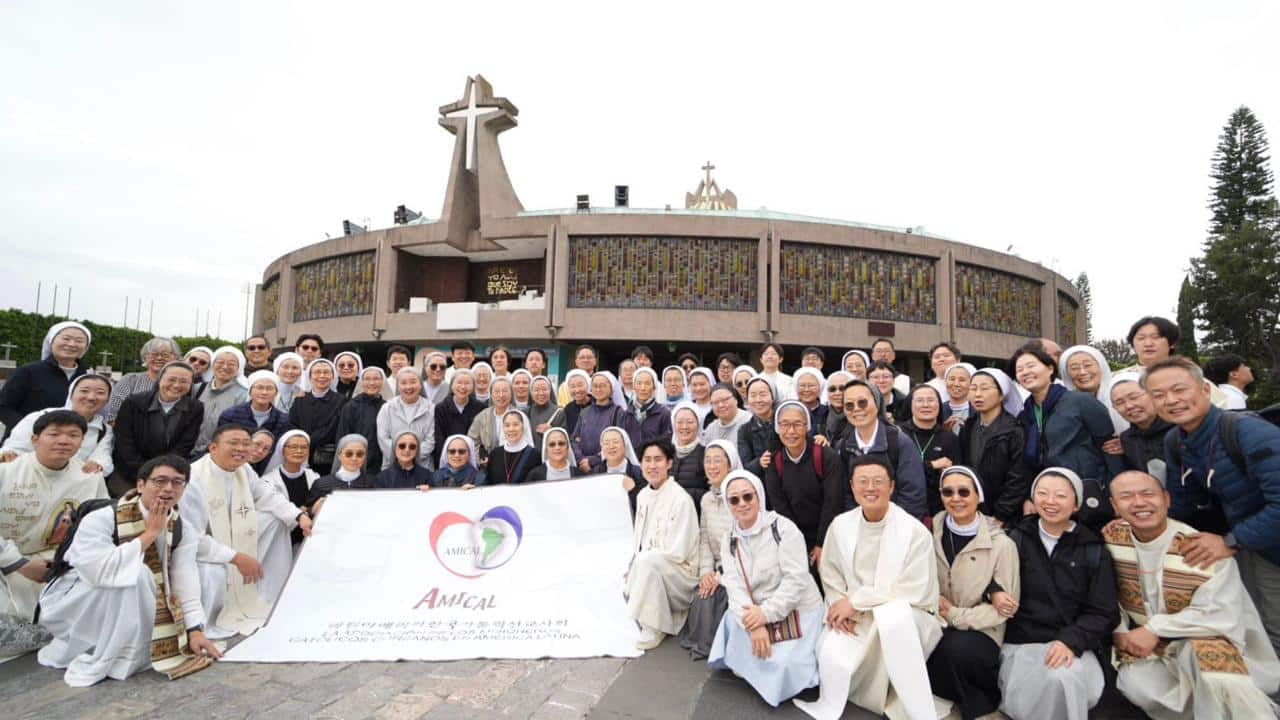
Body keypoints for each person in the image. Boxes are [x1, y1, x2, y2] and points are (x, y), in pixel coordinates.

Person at [1106, 470, 1280, 719]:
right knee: (1137, 685)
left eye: (1148, 494)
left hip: (1208, 640)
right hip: (1151, 648)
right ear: (1114, 506)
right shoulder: (1111, 540)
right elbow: (1103, 592)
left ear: (1167, 499)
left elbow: (1220, 612)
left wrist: (1155, 628)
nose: (1139, 502)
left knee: (1212, 674)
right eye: (1126, 496)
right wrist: (1121, 631)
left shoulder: (1201, 548)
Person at [36, 455, 221, 686]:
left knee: (200, 573)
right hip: (77, 598)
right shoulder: (101, 518)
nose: (168, 488)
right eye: (160, 481)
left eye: (177, 482)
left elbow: (185, 582)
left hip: (135, 602)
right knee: (137, 573)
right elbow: (98, 572)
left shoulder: (182, 527)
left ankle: (131, 651)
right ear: (140, 485)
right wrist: (150, 534)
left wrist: (195, 630)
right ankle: (113, 652)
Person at [1147, 356, 1280, 657]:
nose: (1171, 400)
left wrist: (1231, 541)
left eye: (1179, 389)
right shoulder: (1176, 441)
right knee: (1252, 624)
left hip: (1260, 543)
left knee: (1272, 629)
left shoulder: (1247, 431)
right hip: (1252, 542)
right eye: (1159, 395)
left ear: (1205, 389)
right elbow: (1181, 503)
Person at [794, 455, 941, 720]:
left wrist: (857, 602)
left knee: (894, 622)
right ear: (852, 486)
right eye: (862, 481)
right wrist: (840, 605)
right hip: (853, 611)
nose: (870, 488)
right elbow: (831, 573)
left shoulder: (914, 531)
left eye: (877, 481)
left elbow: (914, 589)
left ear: (892, 487)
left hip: (904, 612)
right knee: (831, 649)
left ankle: (893, 697)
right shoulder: (841, 525)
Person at [999, 467, 1118, 720]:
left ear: (1076, 504)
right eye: (1042, 493)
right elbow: (991, 579)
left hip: (1071, 641)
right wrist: (995, 593)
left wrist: (1070, 641)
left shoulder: (1093, 549)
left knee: (1062, 677)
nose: (1050, 501)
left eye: (1061, 496)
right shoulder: (1014, 539)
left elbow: (1103, 611)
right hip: (1022, 641)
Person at [708, 468, 824, 706]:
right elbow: (734, 584)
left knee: (783, 665)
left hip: (795, 608)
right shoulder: (728, 538)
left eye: (748, 496)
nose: (742, 504)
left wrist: (765, 614)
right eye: (734, 499)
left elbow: (796, 580)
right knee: (734, 618)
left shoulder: (783, 529)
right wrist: (755, 623)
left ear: (759, 496)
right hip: (756, 608)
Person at [181, 424, 310, 638]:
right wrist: (236, 557)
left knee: (276, 520)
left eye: (245, 444)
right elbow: (191, 536)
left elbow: (266, 495)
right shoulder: (193, 478)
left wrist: (298, 516)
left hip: (236, 534)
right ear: (213, 447)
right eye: (233, 443)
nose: (241, 449)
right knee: (212, 573)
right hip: (201, 550)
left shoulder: (244, 469)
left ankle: (273, 593)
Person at [927, 466, 1021, 720]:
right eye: (948, 492)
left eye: (963, 492)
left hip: (981, 629)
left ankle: (980, 708)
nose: (955, 498)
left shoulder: (1002, 545)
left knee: (955, 650)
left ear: (978, 496)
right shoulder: (931, 531)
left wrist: (956, 615)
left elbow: (1003, 611)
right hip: (936, 618)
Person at [0, 411, 108, 627]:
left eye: (73, 435)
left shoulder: (90, 478)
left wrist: (65, 562)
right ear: (35, 439)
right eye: (54, 434)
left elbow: (100, 528)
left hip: (56, 564)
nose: (64, 441)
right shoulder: (6, 471)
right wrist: (17, 562)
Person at [1013, 342, 1123, 529]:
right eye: (1019, 369)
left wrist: (1118, 494)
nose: (1025, 372)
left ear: (1050, 369)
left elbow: (1110, 448)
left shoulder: (1080, 401)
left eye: (1031, 366)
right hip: (1051, 499)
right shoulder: (1026, 413)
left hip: (1088, 493)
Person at [626, 439, 700, 650]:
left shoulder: (680, 499)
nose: (652, 465)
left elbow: (679, 552)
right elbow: (639, 540)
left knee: (647, 561)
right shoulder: (642, 496)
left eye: (658, 459)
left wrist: (642, 563)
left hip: (680, 573)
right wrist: (635, 565)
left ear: (669, 463)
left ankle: (654, 626)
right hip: (652, 564)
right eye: (647, 460)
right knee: (640, 564)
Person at [826, 379, 927, 523]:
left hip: (897, 526)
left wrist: (894, 528)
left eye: (862, 402)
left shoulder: (899, 442)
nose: (856, 409)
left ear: (877, 403)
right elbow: (846, 494)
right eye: (849, 405)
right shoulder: (843, 446)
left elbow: (913, 494)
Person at [679, 439, 741, 658]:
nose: (712, 466)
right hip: (715, 567)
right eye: (708, 460)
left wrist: (719, 575)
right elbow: (705, 538)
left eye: (718, 461)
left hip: (738, 568)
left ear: (731, 465)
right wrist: (706, 572)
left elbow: (743, 545)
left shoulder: (740, 497)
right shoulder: (706, 499)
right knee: (701, 596)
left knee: (717, 598)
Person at [110, 362, 203, 496]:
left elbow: (185, 444)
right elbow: (124, 441)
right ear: (160, 379)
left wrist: (162, 471)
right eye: (171, 379)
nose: (177, 385)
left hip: (168, 473)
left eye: (184, 381)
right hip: (129, 472)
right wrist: (146, 472)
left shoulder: (195, 408)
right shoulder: (134, 402)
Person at [766, 401, 841, 567]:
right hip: (792, 534)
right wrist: (797, 544)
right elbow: (780, 507)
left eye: (797, 424)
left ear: (807, 426)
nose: (791, 431)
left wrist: (821, 544)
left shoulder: (826, 456)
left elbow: (832, 502)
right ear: (777, 428)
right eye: (784, 424)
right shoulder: (774, 460)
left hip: (827, 532)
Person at [1, 373, 114, 476]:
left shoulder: (104, 430)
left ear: (108, 399)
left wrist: (98, 464)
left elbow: (103, 454)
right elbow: (16, 446)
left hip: (72, 486)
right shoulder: (41, 416)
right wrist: (9, 454)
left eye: (100, 393)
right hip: (30, 479)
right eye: (84, 391)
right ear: (71, 393)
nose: (91, 397)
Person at [958, 369, 1031, 526]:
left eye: (985, 388)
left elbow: (1019, 477)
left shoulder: (1015, 430)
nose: (977, 394)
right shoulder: (968, 426)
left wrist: (1001, 514)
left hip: (1003, 517)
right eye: (973, 388)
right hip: (972, 510)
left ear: (1001, 394)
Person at [1, 322, 91, 439]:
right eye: (66, 338)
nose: (71, 344)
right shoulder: (28, 371)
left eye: (79, 341)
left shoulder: (86, 377)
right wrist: (31, 429)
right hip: (26, 440)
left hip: (69, 444)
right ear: (52, 341)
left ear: (86, 347)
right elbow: (4, 407)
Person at [1124, 316, 1230, 408]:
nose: (1148, 343)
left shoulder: (1189, 375)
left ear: (1172, 343)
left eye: (1156, 337)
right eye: (1141, 338)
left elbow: (1220, 407)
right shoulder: (1121, 378)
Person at [901, 384, 960, 518]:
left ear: (939, 404)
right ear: (910, 404)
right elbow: (896, 471)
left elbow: (955, 476)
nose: (926, 405)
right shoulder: (898, 434)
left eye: (931, 400)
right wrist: (932, 466)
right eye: (920, 400)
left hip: (939, 511)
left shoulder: (950, 438)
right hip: (903, 508)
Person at [1108, 375, 1175, 487]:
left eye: (1134, 397)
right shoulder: (1127, 439)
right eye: (1119, 403)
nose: (1129, 406)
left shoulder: (1179, 428)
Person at [260, 429, 318, 544]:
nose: (299, 451)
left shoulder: (315, 478)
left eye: (304, 447)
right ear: (282, 449)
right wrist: (298, 513)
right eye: (293, 446)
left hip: (308, 538)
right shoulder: (268, 481)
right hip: (279, 541)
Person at [288, 358, 348, 470]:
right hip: (299, 456)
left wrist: (307, 441)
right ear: (310, 376)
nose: (322, 376)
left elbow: (334, 429)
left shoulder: (342, 401)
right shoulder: (299, 401)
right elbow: (292, 425)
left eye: (326, 372)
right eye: (317, 372)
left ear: (333, 376)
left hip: (326, 459)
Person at [103, 337, 179, 423]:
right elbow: (113, 414)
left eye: (165, 354)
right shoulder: (130, 380)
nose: (159, 358)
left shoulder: (181, 384)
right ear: (145, 358)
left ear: (176, 358)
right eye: (153, 354)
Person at [375, 367, 436, 471]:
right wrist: (401, 457)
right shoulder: (387, 408)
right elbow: (383, 438)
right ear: (398, 386)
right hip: (392, 467)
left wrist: (411, 457)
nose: (408, 387)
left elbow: (431, 440)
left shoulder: (431, 409)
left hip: (422, 467)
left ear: (420, 385)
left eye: (413, 382)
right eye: (403, 383)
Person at [193, 346, 250, 454]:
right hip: (188, 449)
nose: (225, 367)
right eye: (220, 362)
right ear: (213, 364)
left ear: (239, 367)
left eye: (231, 364)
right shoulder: (198, 388)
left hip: (218, 453)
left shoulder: (244, 394)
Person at [1060, 344, 1126, 433]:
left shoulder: (1120, 396)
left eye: (1088, 365)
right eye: (1074, 368)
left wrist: (1126, 439)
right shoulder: (1063, 404)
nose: (1082, 372)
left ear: (1101, 366)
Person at [571, 372, 627, 472]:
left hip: (605, 467)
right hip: (582, 467)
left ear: (611, 389)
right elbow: (574, 440)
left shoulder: (618, 413)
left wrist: (592, 461)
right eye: (595, 386)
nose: (598, 389)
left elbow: (620, 443)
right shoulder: (585, 411)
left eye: (602, 386)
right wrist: (581, 460)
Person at [335, 366, 387, 472]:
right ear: (361, 382)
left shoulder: (387, 407)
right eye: (367, 379)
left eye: (376, 379)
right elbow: (342, 437)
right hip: (356, 463)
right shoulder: (351, 406)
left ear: (383, 381)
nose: (371, 383)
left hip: (381, 465)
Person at [306, 434, 378, 509]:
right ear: (339, 456)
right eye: (348, 454)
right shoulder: (320, 484)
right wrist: (314, 508)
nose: (354, 458)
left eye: (360, 454)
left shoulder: (373, 483)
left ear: (365, 457)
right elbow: (307, 511)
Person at [217, 370, 292, 443]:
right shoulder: (230, 415)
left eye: (269, 388)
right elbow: (222, 442)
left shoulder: (283, 420)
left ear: (276, 393)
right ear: (250, 391)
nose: (264, 392)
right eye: (259, 388)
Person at [590, 426, 646, 514]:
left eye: (615, 442)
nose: (611, 446)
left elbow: (646, 506)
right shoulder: (595, 472)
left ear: (625, 445)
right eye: (606, 443)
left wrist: (633, 490)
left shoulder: (639, 473)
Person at [433, 369, 484, 461]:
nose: (463, 387)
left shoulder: (480, 408)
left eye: (467, 383)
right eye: (459, 383)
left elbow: (481, 439)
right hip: (448, 457)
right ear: (452, 385)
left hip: (472, 458)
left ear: (473, 387)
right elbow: (439, 439)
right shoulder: (441, 408)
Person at [467, 376, 519, 464]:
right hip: (488, 464)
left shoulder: (519, 416)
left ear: (511, 394)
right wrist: (479, 459)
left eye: (505, 391)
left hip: (514, 462)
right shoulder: (482, 416)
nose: (501, 395)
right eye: (497, 391)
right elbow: (472, 441)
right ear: (491, 394)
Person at [622, 367, 672, 451]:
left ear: (654, 387)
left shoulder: (663, 413)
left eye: (647, 383)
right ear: (634, 387)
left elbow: (666, 442)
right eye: (639, 383)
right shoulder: (627, 413)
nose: (643, 388)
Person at [670, 402, 708, 511]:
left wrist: (681, 494)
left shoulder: (705, 454)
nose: (684, 427)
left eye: (690, 422)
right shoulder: (667, 452)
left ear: (698, 424)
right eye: (680, 422)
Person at [738, 377, 778, 476]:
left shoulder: (784, 422)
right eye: (753, 395)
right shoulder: (744, 430)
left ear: (772, 397)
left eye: (763, 394)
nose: (758, 400)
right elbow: (745, 465)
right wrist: (759, 462)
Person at [486, 410, 539, 485]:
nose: (511, 429)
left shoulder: (534, 454)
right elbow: (488, 481)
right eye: (507, 425)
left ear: (523, 426)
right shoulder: (495, 453)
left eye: (516, 424)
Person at [527, 375, 562, 449]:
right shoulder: (526, 412)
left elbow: (565, 437)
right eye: (536, 390)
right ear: (531, 392)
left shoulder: (559, 412)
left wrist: (552, 431)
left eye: (544, 389)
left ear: (550, 391)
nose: (541, 393)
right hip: (531, 456)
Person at [791, 368, 827, 438]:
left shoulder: (827, 412)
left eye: (811, 385)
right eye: (802, 385)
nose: (806, 389)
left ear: (820, 388)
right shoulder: (788, 411)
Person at [941, 362, 976, 433]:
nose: (956, 384)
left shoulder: (978, 411)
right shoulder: (938, 409)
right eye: (952, 379)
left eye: (962, 380)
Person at [560, 369, 592, 434]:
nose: (577, 390)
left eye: (580, 385)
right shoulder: (568, 409)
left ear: (588, 385)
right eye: (572, 386)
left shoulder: (597, 404)